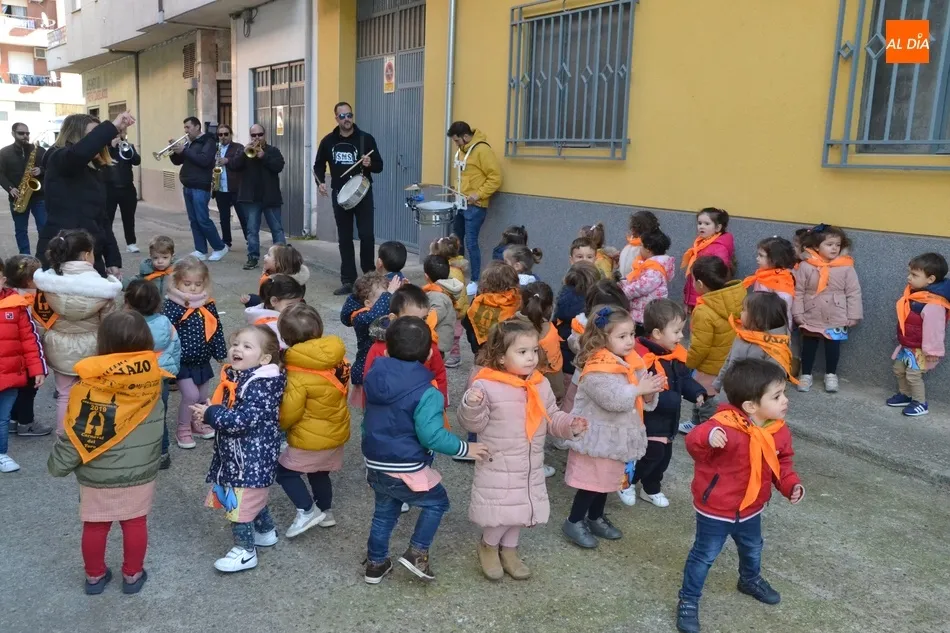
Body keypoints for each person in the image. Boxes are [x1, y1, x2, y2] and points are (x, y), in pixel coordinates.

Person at [675, 359, 803, 633]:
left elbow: (782, 463)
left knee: (753, 548)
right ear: (750, 406)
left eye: (784, 394)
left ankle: (749, 579)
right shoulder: (722, 426)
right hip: (716, 509)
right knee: (704, 555)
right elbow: (693, 443)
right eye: (777, 396)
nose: (785, 401)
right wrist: (707, 438)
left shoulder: (777, 429)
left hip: (752, 508)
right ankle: (688, 599)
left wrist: (791, 485)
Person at [48, 311, 170, 595]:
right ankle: (132, 575)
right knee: (135, 521)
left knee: (95, 525)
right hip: (140, 471)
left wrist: (58, 463)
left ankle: (94, 577)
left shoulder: (89, 385)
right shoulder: (155, 380)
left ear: (102, 343)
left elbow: (78, 433)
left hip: (96, 472)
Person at [361, 316, 488, 585]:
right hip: (406, 464)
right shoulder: (427, 391)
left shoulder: (373, 376)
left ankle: (376, 563)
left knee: (384, 512)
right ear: (430, 353)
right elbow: (432, 436)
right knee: (438, 502)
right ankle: (417, 552)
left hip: (375, 460)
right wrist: (466, 448)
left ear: (385, 349)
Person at [458, 318, 588, 581]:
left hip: (529, 461)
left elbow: (551, 415)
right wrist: (471, 405)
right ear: (501, 357)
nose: (531, 358)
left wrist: (569, 425)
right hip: (498, 461)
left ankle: (510, 551)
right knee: (502, 511)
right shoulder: (486, 384)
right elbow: (473, 423)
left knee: (520, 509)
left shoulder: (539, 383)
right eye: (522, 352)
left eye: (533, 351)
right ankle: (488, 545)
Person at [561, 305, 663, 549]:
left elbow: (638, 398)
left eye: (631, 335)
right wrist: (639, 389)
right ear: (602, 338)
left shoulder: (630, 361)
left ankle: (595, 517)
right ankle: (574, 520)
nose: (629, 341)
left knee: (608, 481)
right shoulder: (597, 367)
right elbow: (613, 400)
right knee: (592, 483)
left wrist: (649, 394)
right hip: (598, 438)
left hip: (617, 437)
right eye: (622, 336)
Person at [191, 326, 286, 573]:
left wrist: (212, 413)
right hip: (241, 456)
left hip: (250, 458)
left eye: (247, 346)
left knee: (239, 507)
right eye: (236, 344)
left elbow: (242, 421)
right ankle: (265, 532)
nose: (237, 349)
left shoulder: (262, 384)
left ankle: (245, 552)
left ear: (265, 358)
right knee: (252, 498)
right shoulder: (243, 376)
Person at [33, 230, 123, 433]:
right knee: (93, 395)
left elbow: (40, 318)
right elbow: (109, 324)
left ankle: (62, 436)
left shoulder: (47, 283)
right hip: (93, 349)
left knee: (64, 394)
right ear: (86, 254)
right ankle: (88, 435)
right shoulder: (103, 288)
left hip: (58, 346)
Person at [619, 300, 705, 508]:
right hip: (650, 419)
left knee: (663, 458)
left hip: (669, 420)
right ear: (657, 333)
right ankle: (628, 482)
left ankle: (651, 489)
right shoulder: (644, 359)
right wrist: (674, 398)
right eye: (676, 331)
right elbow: (646, 391)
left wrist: (697, 392)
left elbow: (683, 379)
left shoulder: (673, 356)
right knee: (650, 454)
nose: (681, 336)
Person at [276, 303, 351, 535]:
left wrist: (278, 425)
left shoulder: (297, 371)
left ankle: (308, 510)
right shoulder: (335, 357)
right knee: (319, 472)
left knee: (284, 472)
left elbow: (290, 412)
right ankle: (326, 511)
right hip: (335, 430)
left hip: (309, 437)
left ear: (286, 337)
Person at [37, 112, 132, 277]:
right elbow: (78, 154)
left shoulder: (96, 170)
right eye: (93, 135)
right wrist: (112, 127)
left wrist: (112, 260)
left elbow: (103, 221)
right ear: (75, 135)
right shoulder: (58, 158)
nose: (100, 142)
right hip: (64, 254)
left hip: (90, 255)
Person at [313, 102, 384, 296]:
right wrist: (319, 182)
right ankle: (348, 280)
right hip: (340, 194)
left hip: (362, 192)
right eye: (342, 116)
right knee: (344, 238)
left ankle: (369, 277)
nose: (346, 119)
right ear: (336, 118)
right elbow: (318, 166)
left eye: (349, 115)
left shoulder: (365, 139)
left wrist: (369, 164)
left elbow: (379, 165)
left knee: (367, 235)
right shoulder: (328, 141)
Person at [161, 256, 227, 449]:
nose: (192, 288)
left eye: (198, 284)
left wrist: (220, 353)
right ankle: (182, 428)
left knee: (202, 395)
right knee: (190, 395)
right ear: (176, 282)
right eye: (187, 283)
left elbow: (216, 329)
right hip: (182, 361)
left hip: (202, 359)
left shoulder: (207, 304)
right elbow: (166, 333)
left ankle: (196, 423)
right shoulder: (173, 306)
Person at [793, 224, 862, 394]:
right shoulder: (806, 266)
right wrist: (798, 312)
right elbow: (798, 291)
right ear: (816, 246)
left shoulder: (846, 266)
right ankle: (806, 374)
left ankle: (831, 374)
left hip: (836, 313)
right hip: (812, 312)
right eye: (829, 244)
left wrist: (854, 315)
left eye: (837, 245)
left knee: (833, 346)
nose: (834, 248)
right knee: (809, 345)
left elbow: (853, 292)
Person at [680, 256, 746, 434]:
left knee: (704, 397)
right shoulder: (737, 296)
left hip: (708, 365)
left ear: (700, 283)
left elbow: (700, 346)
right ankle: (696, 422)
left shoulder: (704, 310)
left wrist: (688, 364)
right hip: (728, 359)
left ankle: (708, 430)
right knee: (714, 396)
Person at [124, 279, 181, 471]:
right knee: (159, 416)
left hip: (131, 379)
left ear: (128, 303)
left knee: (132, 416)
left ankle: (135, 453)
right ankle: (163, 453)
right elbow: (175, 347)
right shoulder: (165, 322)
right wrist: (172, 371)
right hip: (159, 377)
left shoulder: (125, 323)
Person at [0, 256, 47, 473]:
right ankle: (21, 426)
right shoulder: (21, 301)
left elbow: (29, 337)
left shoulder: (15, 301)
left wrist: (36, 368)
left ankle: (3, 445)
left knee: (6, 410)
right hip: (14, 366)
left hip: (12, 369)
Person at [889, 252, 950, 417]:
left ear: (930, 279)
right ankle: (905, 395)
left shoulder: (933, 304)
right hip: (907, 345)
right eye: (909, 273)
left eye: (914, 275)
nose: (909, 278)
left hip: (921, 350)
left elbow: (935, 331)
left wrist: (933, 353)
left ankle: (920, 403)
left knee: (913, 376)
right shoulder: (915, 295)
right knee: (899, 370)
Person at [446, 121, 503, 289]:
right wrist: (456, 190)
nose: (455, 144)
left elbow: (496, 177)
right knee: (457, 241)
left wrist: (478, 194)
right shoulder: (462, 151)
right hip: (461, 203)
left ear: (465, 136)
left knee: (471, 242)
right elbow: (464, 176)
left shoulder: (482, 150)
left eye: (457, 141)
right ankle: (457, 275)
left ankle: (475, 280)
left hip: (475, 205)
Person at [714, 292, 796, 402]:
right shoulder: (742, 335)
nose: (740, 312)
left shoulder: (776, 346)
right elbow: (729, 362)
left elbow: (774, 379)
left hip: (754, 403)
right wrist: (718, 383)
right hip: (729, 394)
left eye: (744, 310)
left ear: (758, 318)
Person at [169, 116, 228, 262]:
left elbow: (204, 160)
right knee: (193, 220)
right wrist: (174, 151)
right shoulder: (190, 143)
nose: (186, 131)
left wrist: (185, 150)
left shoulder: (209, 141)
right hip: (188, 186)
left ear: (197, 127)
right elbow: (179, 161)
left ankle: (220, 247)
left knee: (203, 219)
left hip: (200, 187)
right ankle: (200, 250)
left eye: (188, 127)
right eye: (185, 128)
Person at [229, 124, 286, 271]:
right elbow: (234, 165)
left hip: (270, 197)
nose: (257, 138)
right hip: (251, 198)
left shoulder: (273, 151)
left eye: (259, 134)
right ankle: (253, 258)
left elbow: (279, 166)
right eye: (253, 135)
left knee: (277, 230)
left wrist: (264, 157)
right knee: (252, 230)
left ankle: (282, 260)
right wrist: (243, 153)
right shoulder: (245, 151)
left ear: (264, 134)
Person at [340, 272, 401, 407]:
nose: (387, 302)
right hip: (366, 371)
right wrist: (388, 295)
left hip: (381, 368)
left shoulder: (381, 311)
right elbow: (374, 317)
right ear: (368, 303)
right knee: (368, 409)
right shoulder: (361, 318)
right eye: (383, 298)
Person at [0, 122, 46, 255]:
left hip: (38, 196)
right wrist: (10, 188)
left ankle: (43, 257)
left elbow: (50, 166)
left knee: (44, 228)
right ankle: (25, 257)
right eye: (21, 133)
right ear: (13, 133)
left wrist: (41, 170)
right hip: (17, 196)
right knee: (21, 230)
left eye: (27, 133)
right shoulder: (4, 153)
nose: (25, 136)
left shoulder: (38, 150)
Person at [620, 229, 674, 333]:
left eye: (641, 245)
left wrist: (622, 292)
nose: (639, 249)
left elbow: (640, 286)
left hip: (644, 315)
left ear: (648, 249)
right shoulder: (649, 265)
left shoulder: (654, 269)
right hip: (641, 311)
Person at [682, 208, 736, 311]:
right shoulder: (700, 243)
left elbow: (717, 275)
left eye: (707, 224)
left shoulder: (719, 247)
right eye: (699, 223)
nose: (701, 226)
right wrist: (688, 300)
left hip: (707, 298)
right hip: (695, 295)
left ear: (718, 227)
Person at [430, 235, 469, 368]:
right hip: (456, 307)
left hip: (454, 308)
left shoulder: (450, 272)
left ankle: (455, 356)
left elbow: (454, 292)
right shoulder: (455, 268)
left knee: (453, 334)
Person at [743, 236, 797, 328]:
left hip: (772, 328)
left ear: (775, 259)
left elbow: (784, 308)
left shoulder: (781, 280)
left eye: (761, 255)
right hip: (759, 320)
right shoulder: (764, 274)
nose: (757, 258)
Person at [244, 274, 305, 349]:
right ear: (274, 301)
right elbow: (283, 348)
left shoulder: (261, 313)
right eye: (290, 305)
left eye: (298, 303)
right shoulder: (272, 325)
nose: (296, 308)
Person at [105, 130, 141, 253]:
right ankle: (106, 243)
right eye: (114, 136)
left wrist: (129, 149)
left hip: (127, 188)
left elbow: (137, 161)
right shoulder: (104, 149)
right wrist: (111, 148)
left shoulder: (127, 146)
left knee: (129, 218)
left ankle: (131, 243)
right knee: (107, 218)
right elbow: (102, 163)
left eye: (118, 135)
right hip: (109, 189)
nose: (117, 137)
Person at [211, 124, 247, 249]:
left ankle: (250, 241)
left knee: (243, 217)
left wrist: (227, 161)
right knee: (224, 218)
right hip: (220, 188)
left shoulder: (238, 147)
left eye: (226, 134)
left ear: (230, 134)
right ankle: (226, 242)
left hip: (235, 188)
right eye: (220, 134)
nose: (223, 137)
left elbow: (240, 162)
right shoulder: (216, 148)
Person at [422, 255, 464, 359]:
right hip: (438, 342)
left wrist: (420, 327)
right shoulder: (444, 289)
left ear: (426, 276)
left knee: (433, 371)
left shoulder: (438, 296)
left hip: (435, 344)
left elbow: (433, 318)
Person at [619, 210, 660, 278]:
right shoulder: (631, 243)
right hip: (624, 283)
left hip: (636, 285)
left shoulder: (647, 248)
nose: (631, 230)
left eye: (633, 227)